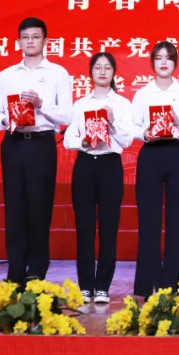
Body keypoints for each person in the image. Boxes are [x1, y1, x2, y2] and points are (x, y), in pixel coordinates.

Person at [0, 17, 73, 284]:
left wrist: (40, 103)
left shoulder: (58, 73)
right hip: (13, 142)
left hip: (41, 144)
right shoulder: (6, 75)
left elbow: (67, 115)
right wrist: (6, 120)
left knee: (39, 206)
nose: (30, 41)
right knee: (14, 208)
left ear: (45, 41)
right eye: (25, 37)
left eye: (35, 37)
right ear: (19, 42)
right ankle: (15, 270)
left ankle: (37, 268)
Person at [63, 52, 137, 304]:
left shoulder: (122, 104)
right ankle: (85, 285)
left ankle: (103, 285)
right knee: (84, 227)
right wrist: (82, 142)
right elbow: (68, 138)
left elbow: (127, 140)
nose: (102, 72)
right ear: (91, 73)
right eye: (98, 67)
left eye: (107, 68)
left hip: (109, 165)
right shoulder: (81, 104)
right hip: (85, 164)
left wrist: (112, 122)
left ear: (114, 72)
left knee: (108, 227)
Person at [131, 41, 179, 299]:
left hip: (177, 153)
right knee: (148, 220)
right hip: (150, 153)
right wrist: (144, 133)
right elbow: (131, 126)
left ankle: (174, 282)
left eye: (168, 58)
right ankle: (146, 283)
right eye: (158, 57)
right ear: (152, 62)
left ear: (175, 62)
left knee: (177, 220)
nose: (163, 62)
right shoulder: (143, 93)